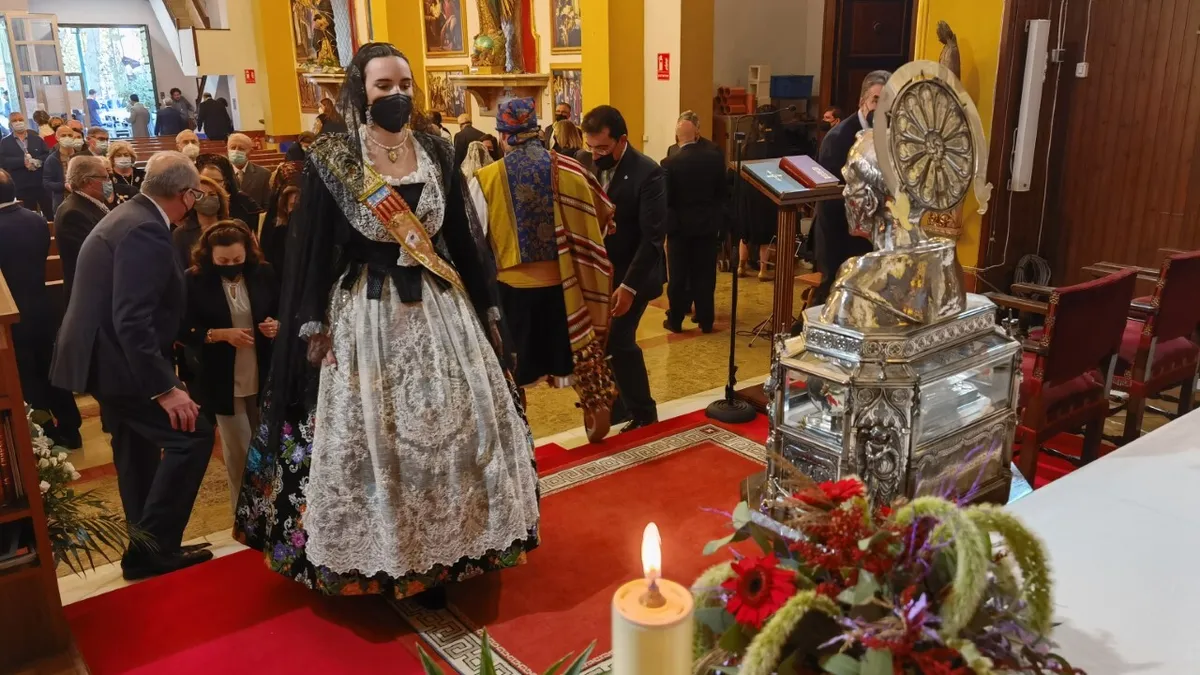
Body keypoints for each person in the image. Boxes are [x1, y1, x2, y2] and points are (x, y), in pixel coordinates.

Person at [233, 42, 539, 603]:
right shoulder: (335, 157)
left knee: (457, 432)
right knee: (374, 435)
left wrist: (489, 305)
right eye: (384, 86)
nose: (397, 94)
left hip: (441, 310)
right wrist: (312, 322)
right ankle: (386, 556)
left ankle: (456, 547)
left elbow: (460, 239)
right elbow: (312, 249)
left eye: (404, 84)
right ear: (361, 91)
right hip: (366, 316)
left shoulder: (436, 150)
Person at [50, 152, 215, 581]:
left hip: (103, 356)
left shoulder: (130, 215)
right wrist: (166, 388)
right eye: (196, 194)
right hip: (116, 360)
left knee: (136, 450)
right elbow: (132, 318)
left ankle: (148, 548)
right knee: (192, 435)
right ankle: (153, 548)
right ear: (185, 194)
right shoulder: (145, 228)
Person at [474, 98, 617, 441]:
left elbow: (475, 236)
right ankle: (595, 410)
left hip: (513, 292)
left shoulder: (486, 178)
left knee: (514, 368)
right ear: (537, 131)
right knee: (578, 354)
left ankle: (520, 429)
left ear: (503, 136)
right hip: (566, 288)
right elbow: (600, 215)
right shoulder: (572, 170)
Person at [180, 220, 279, 511]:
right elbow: (183, 328)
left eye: (237, 259)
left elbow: (282, 309)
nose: (231, 265)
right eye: (223, 261)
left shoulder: (263, 273)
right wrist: (221, 335)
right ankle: (244, 512)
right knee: (239, 450)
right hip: (222, 377)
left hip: (261, 372)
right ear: (209, 256)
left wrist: (276, 325)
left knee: (266, 446)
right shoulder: (194, 280)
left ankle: (270, 506)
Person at [581, 105, 665, 431]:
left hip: (636, 273)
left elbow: (653, 238)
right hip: (600, 272)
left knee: (619, 337)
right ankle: (617, 408)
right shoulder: (586, 162)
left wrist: (628, 288)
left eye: (603, 148)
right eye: (591, 147)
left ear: (622, 140)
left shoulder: (648, 172)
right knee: (600, 340)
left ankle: (644, 412)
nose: (596, 154)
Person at [0, 171, 83, 448]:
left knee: (28, 376)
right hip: (42, 307)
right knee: (52, 369)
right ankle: (71, 428)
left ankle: (45, 434)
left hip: (12, 315)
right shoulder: (35, 219)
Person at [813, 70, 890, 305]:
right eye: (876, 100)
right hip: (840, 235)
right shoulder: (838, 138)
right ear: (862, 101)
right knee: (837, 299)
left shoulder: (890, 134)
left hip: (875, 235)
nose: (881, 107)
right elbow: (831, 195)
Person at [662, 111, 726, 334]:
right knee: (705, 275)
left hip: (679, 229)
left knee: (678, 276)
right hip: (707, 226)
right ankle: (706, 320)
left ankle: (676, 320)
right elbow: (721, 193)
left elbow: (666, 199)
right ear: (697, 133)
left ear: (677, 137)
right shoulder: (714, 158)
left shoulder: (669, 162)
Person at [54, 155, 111, 307]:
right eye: (105, 177)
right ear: (88, 181)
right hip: (89, 294)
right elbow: (93, 256)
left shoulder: (90, 204)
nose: (109, 182)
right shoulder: (73, 213)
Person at [0, 112, 52, 217]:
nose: (18, 122)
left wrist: (37, 161)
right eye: (14, 120)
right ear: (10, 124)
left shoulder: (36, 139)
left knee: (49, 213)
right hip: (21, 185)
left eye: (20, 119)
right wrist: (22, 161)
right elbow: (3, 161)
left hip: (40, 183)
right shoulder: (5, 142)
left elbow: (47, 155)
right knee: (28, 215)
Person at [172, 174, 228, 270]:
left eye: (212, 194)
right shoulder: (181, 234)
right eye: (200, 195)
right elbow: (178, 270)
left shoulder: (234, 227)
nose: (207, 198)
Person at [195, 153, 261, 230]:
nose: (212, 184)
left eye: (216, 181)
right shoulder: (193, 201)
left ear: (226, 182)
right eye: (207, 181)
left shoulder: (242, 201)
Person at [43, 124, 84, 213]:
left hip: (83, 199)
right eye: (63, 135)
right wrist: (63, 185)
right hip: (62, 201)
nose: (67, 138)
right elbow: (47, 183)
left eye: (70, 135)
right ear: (57, 138)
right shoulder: (52, 159)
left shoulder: (81, 156)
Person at [227, 133, 271, 213]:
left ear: (251, 152)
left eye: (241, 149)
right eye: (233, 148)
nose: (236, 151)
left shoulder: (263, 174)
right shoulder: (222, 173)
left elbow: (267, 206)